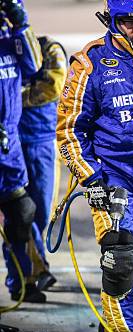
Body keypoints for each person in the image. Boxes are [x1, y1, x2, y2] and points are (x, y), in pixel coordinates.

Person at [56, 0, 133, 332]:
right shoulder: (89, 63)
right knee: (119, 259)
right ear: (111, 20)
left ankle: (116, 313)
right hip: (114, 177)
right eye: (127, 21)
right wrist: (91, 179)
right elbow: (69, 132)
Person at [0, 0, 44, 303]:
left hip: (9, 145)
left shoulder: (11, 38)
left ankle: (22, 282)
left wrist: (21, 23)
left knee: (22, 213)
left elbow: (34, 65)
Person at [18, 36, 68, 291]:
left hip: (42, 142)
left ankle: (32, 273)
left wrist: (11, 96)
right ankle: (27, 277)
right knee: (17, 212)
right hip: (11, 142)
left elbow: (53, 85)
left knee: (41, 213)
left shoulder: (49, 47)